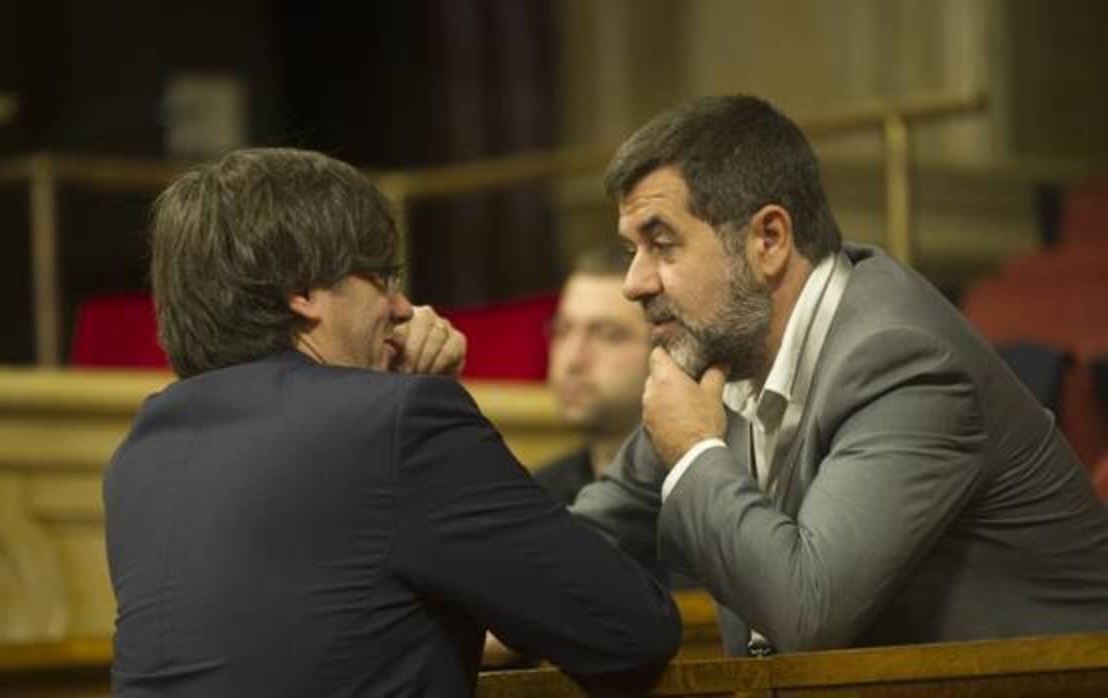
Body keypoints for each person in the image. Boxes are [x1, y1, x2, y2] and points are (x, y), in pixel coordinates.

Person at [103, 148, 679, 697]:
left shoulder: (143, 453)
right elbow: (629, 633)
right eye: (381, 276)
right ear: (302, 292)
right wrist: (416, 401)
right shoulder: (396, 423)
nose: (402, 308)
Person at [571, 95, 1108, 657]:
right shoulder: (719, 351)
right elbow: (582, 545)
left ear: (768, 240)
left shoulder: (903, 360)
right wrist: (498, 623)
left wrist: (694, 453)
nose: (634, 282)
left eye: (662, 244)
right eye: (632, 249)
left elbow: (806, 614)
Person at [535, 242, 652, 505]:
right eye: (563, 330)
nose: (573, 360)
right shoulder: (537, 497)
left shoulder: (697, 504)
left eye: (608, 335)